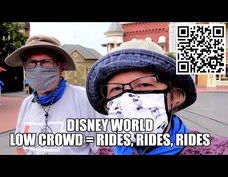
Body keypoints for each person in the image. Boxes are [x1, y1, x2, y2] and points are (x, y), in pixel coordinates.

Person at [86, 39, 228, 155]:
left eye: (144, 85)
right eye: (116, 89)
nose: (128, 99)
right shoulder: (106, 150)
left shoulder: (215, 150)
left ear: (175, 96)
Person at [5, 34, 101, 155]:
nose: (38, 68)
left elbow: (104, 150)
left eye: (46, 62)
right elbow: (20, 149)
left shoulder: (85, 100)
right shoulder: (27, 104)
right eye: (31, 62)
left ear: (61, 66)